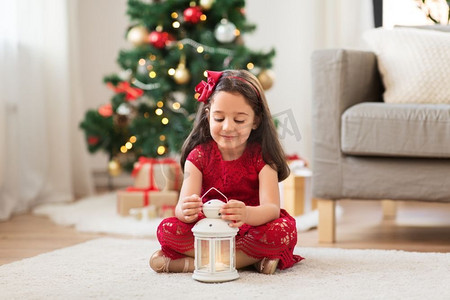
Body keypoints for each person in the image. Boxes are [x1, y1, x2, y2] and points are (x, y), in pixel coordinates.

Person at [149, 69, 303, 275]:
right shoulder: (199, 156)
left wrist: (247, 213)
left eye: (239, 120)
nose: (228, 127)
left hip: (249, 229)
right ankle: (249, 261)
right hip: (208, 231)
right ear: (208, 116)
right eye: (219, 118)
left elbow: (272, 209)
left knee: (284, 230)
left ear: (256, 120)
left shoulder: (263, 157)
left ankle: (198, 263)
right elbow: (181, 209)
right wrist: (186, 210)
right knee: (166, 228)